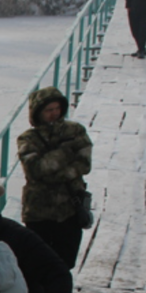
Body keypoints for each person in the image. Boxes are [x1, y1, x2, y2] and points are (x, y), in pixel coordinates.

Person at [17, 86, 93, 270]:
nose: (54, 114)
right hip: (38, 211)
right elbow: (34, 170)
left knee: (65, 263)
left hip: (70, 209)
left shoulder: (76, 131)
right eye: (48, 110)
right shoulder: (28, 138)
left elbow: (84, 164)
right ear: (38, 112)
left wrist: (51, 170)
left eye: (57, 109)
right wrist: (65, 153)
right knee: (36, 264)